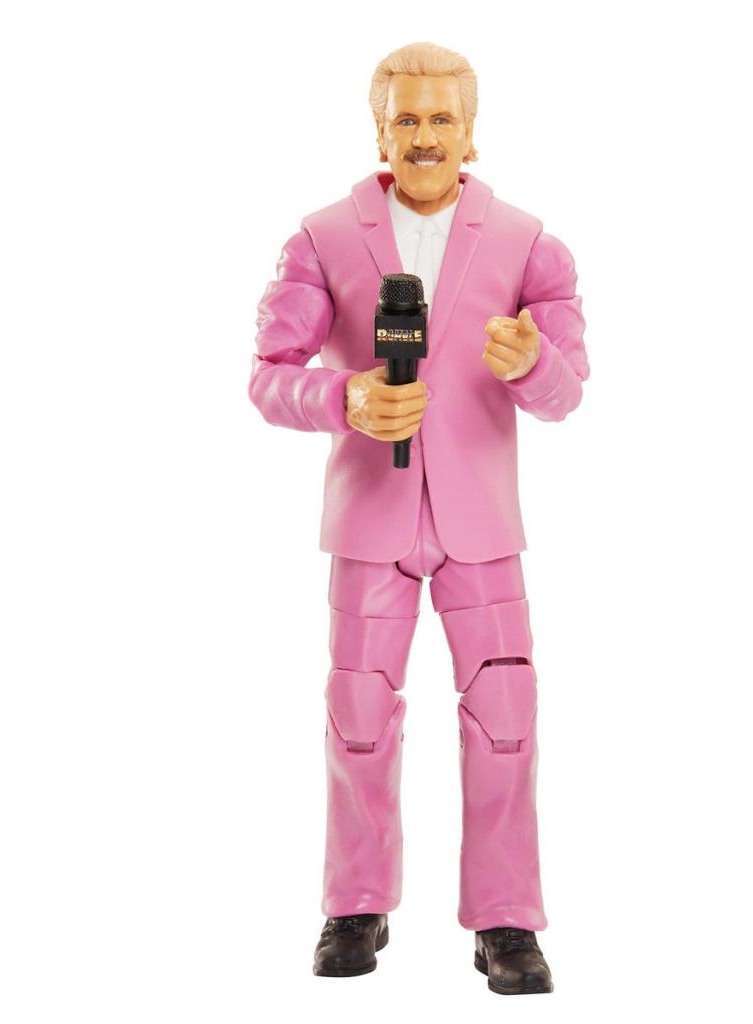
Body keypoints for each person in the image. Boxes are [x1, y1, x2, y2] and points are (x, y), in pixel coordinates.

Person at [248, 41, 589, 995]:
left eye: (443, 118)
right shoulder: (320, 239)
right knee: (357, 716)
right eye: (408, 118)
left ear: (471, 131)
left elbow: (568, 391)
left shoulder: (529, 243)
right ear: (380, 130)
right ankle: (355, 902)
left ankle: (507, 918)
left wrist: (531, 363)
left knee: (506, 718)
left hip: (483, 526)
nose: (426, 136)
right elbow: (268, 377)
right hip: (371, 522)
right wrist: (345, 399)